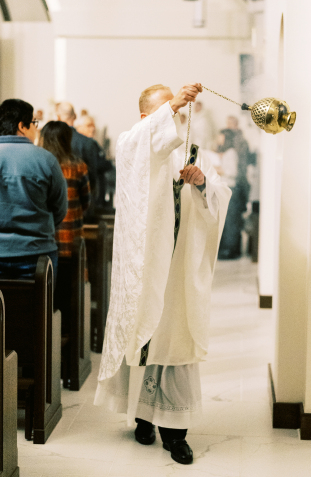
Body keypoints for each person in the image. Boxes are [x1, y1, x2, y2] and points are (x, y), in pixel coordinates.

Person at [94, 83, 231, 465]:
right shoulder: (131, 144)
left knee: (175, 342)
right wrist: (170, 106)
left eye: (181, 114)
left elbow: (220, 193)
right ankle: (142, 416)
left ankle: (176, 433)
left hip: (179, 271)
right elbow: (142, 143)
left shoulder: (193, 152)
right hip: (146, 264)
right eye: (169, 113)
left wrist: (202, 182)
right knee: (143, 339)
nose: (178, 118)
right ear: (147, 119)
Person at [0, 99, 67, 281]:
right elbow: (60, 209)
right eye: (34, 123)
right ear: (22, 126)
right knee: (39, 308)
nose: (36, 129)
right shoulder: (46, 159)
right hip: (36, 254)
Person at [39, 121, 91, 258]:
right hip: (71, 232)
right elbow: (86, 201)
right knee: (73, 274)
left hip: (44, 234)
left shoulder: (39, 166)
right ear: (67, 139)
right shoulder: (78, 166)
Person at [57, 102, 112, 213]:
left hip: (58, 201)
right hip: (81, 202)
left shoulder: (52, 141)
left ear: (58, 117)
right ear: (75, 116)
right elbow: (92, 175)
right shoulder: (87, 143)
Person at [217, 116, 250, 259]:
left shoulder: (233, 151)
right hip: (229, 188)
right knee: (228, 220)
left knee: (231, 221)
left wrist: (218, 170)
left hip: (233, 188)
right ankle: (228, 249)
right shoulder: (228, 152)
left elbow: (233, 172)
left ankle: (230, 250)